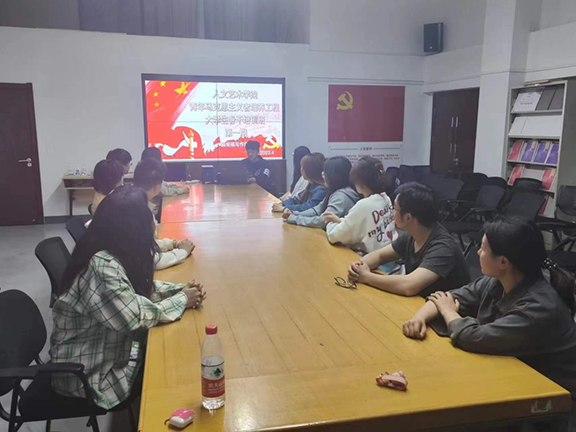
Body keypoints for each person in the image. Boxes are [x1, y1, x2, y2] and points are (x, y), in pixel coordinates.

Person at [50, 185, 206, 410]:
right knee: (173, 365)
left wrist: (178, 290)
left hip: (108, 353)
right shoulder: (101, 265)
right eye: (150, 216)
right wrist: (182, 299)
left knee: (172, 348)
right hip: (90, 377)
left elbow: (131, 291)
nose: (154, 222)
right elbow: (134, 317)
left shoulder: (107, 248)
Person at [403, 217, 576, 400]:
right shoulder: (498, 281)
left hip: (555, 400)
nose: (478, 252)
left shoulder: (538, 308)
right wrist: (418, 319)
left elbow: (471, 337)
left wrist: (448, 312)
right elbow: (445, 298)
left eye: (483, 248)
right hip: (517, 377)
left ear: (503, 262)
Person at [348, 182, 470, 297]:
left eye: (394, 209)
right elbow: (380, 256)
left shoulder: (443, 248)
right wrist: (360, 266)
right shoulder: (414, 234)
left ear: (407, 218)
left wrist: (366, 276)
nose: (391, 213)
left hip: (446, 309)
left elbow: (409, 286)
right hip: (421, 301)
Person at [323, 157, 397, 257]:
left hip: (373, 261)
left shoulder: (363, 205)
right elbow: (367, 225)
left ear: (359, 181)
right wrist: (339, 220)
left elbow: (334, 236)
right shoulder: (385, 198)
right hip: (391, 258)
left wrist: (330, 223)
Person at [133, 158, 194, 270]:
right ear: (158, 187)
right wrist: (182, 252)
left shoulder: (129, 200)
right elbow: (150, 260)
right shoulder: (141, 212)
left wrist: (172, 244)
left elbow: (146, 245)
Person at [283, 156, 359, 229]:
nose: (323, 177)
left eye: (324, 174)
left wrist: (295, 218)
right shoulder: (334, 192)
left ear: (333, 176)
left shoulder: (341, 196)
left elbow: (323, 221)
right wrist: (294, 213)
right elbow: (316, 210)